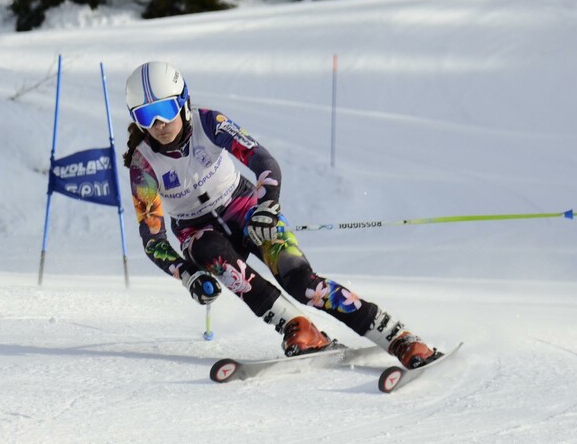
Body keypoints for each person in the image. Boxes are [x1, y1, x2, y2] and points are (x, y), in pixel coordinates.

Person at [122, 61, 436, 368]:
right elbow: (153, 240)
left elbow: (261, 159)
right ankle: (298, 328)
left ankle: (398, 337)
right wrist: (186, 274)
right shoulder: (144, 164)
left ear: (183, 102)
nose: (158, 124)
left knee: (302, 282)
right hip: (197, 232)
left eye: (165, 110)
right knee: (214, 255)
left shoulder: (209, 122)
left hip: (245, 209)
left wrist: (267, 203)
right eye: (146, 116)